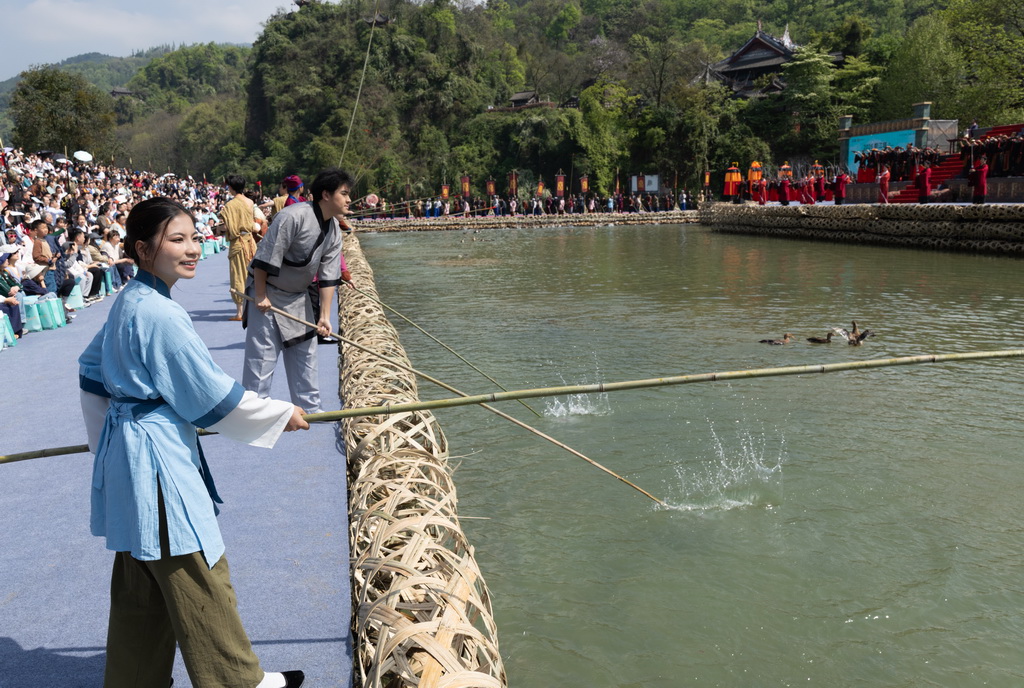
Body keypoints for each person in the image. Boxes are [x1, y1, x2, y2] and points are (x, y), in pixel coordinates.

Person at [78, 197, 308, 688]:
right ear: (143, 248)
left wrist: (105, 444)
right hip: (156, 462)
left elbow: (91, 372)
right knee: (197, 569)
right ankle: (240, 682)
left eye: (194, 237)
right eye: (176, 239)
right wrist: (279, 412)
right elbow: (208, 397)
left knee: (142, 584)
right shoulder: (159, 313)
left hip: (130, 455)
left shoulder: (130, 300)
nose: (191, 249)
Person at [242, 168, 349, 413]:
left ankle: (310, 408)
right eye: (344, 194)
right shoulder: (292, 217)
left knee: (306, 354)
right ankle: (253, 413)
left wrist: (324, 316)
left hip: (298, 296)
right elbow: (265, 258)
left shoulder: (333, 229)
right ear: (326, 194)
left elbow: (329, 276)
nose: (349, 199)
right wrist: (260, 295)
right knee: (262, 359)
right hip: (268, 292)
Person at [221, 175, 259, 321]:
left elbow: (228, 227)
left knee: (237, 275)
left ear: (230, 187)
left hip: (238, 242)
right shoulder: (249, 202)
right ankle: (252, 307)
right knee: (251, 273)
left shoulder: (230, 206)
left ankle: (240, 312)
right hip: (249, 241)